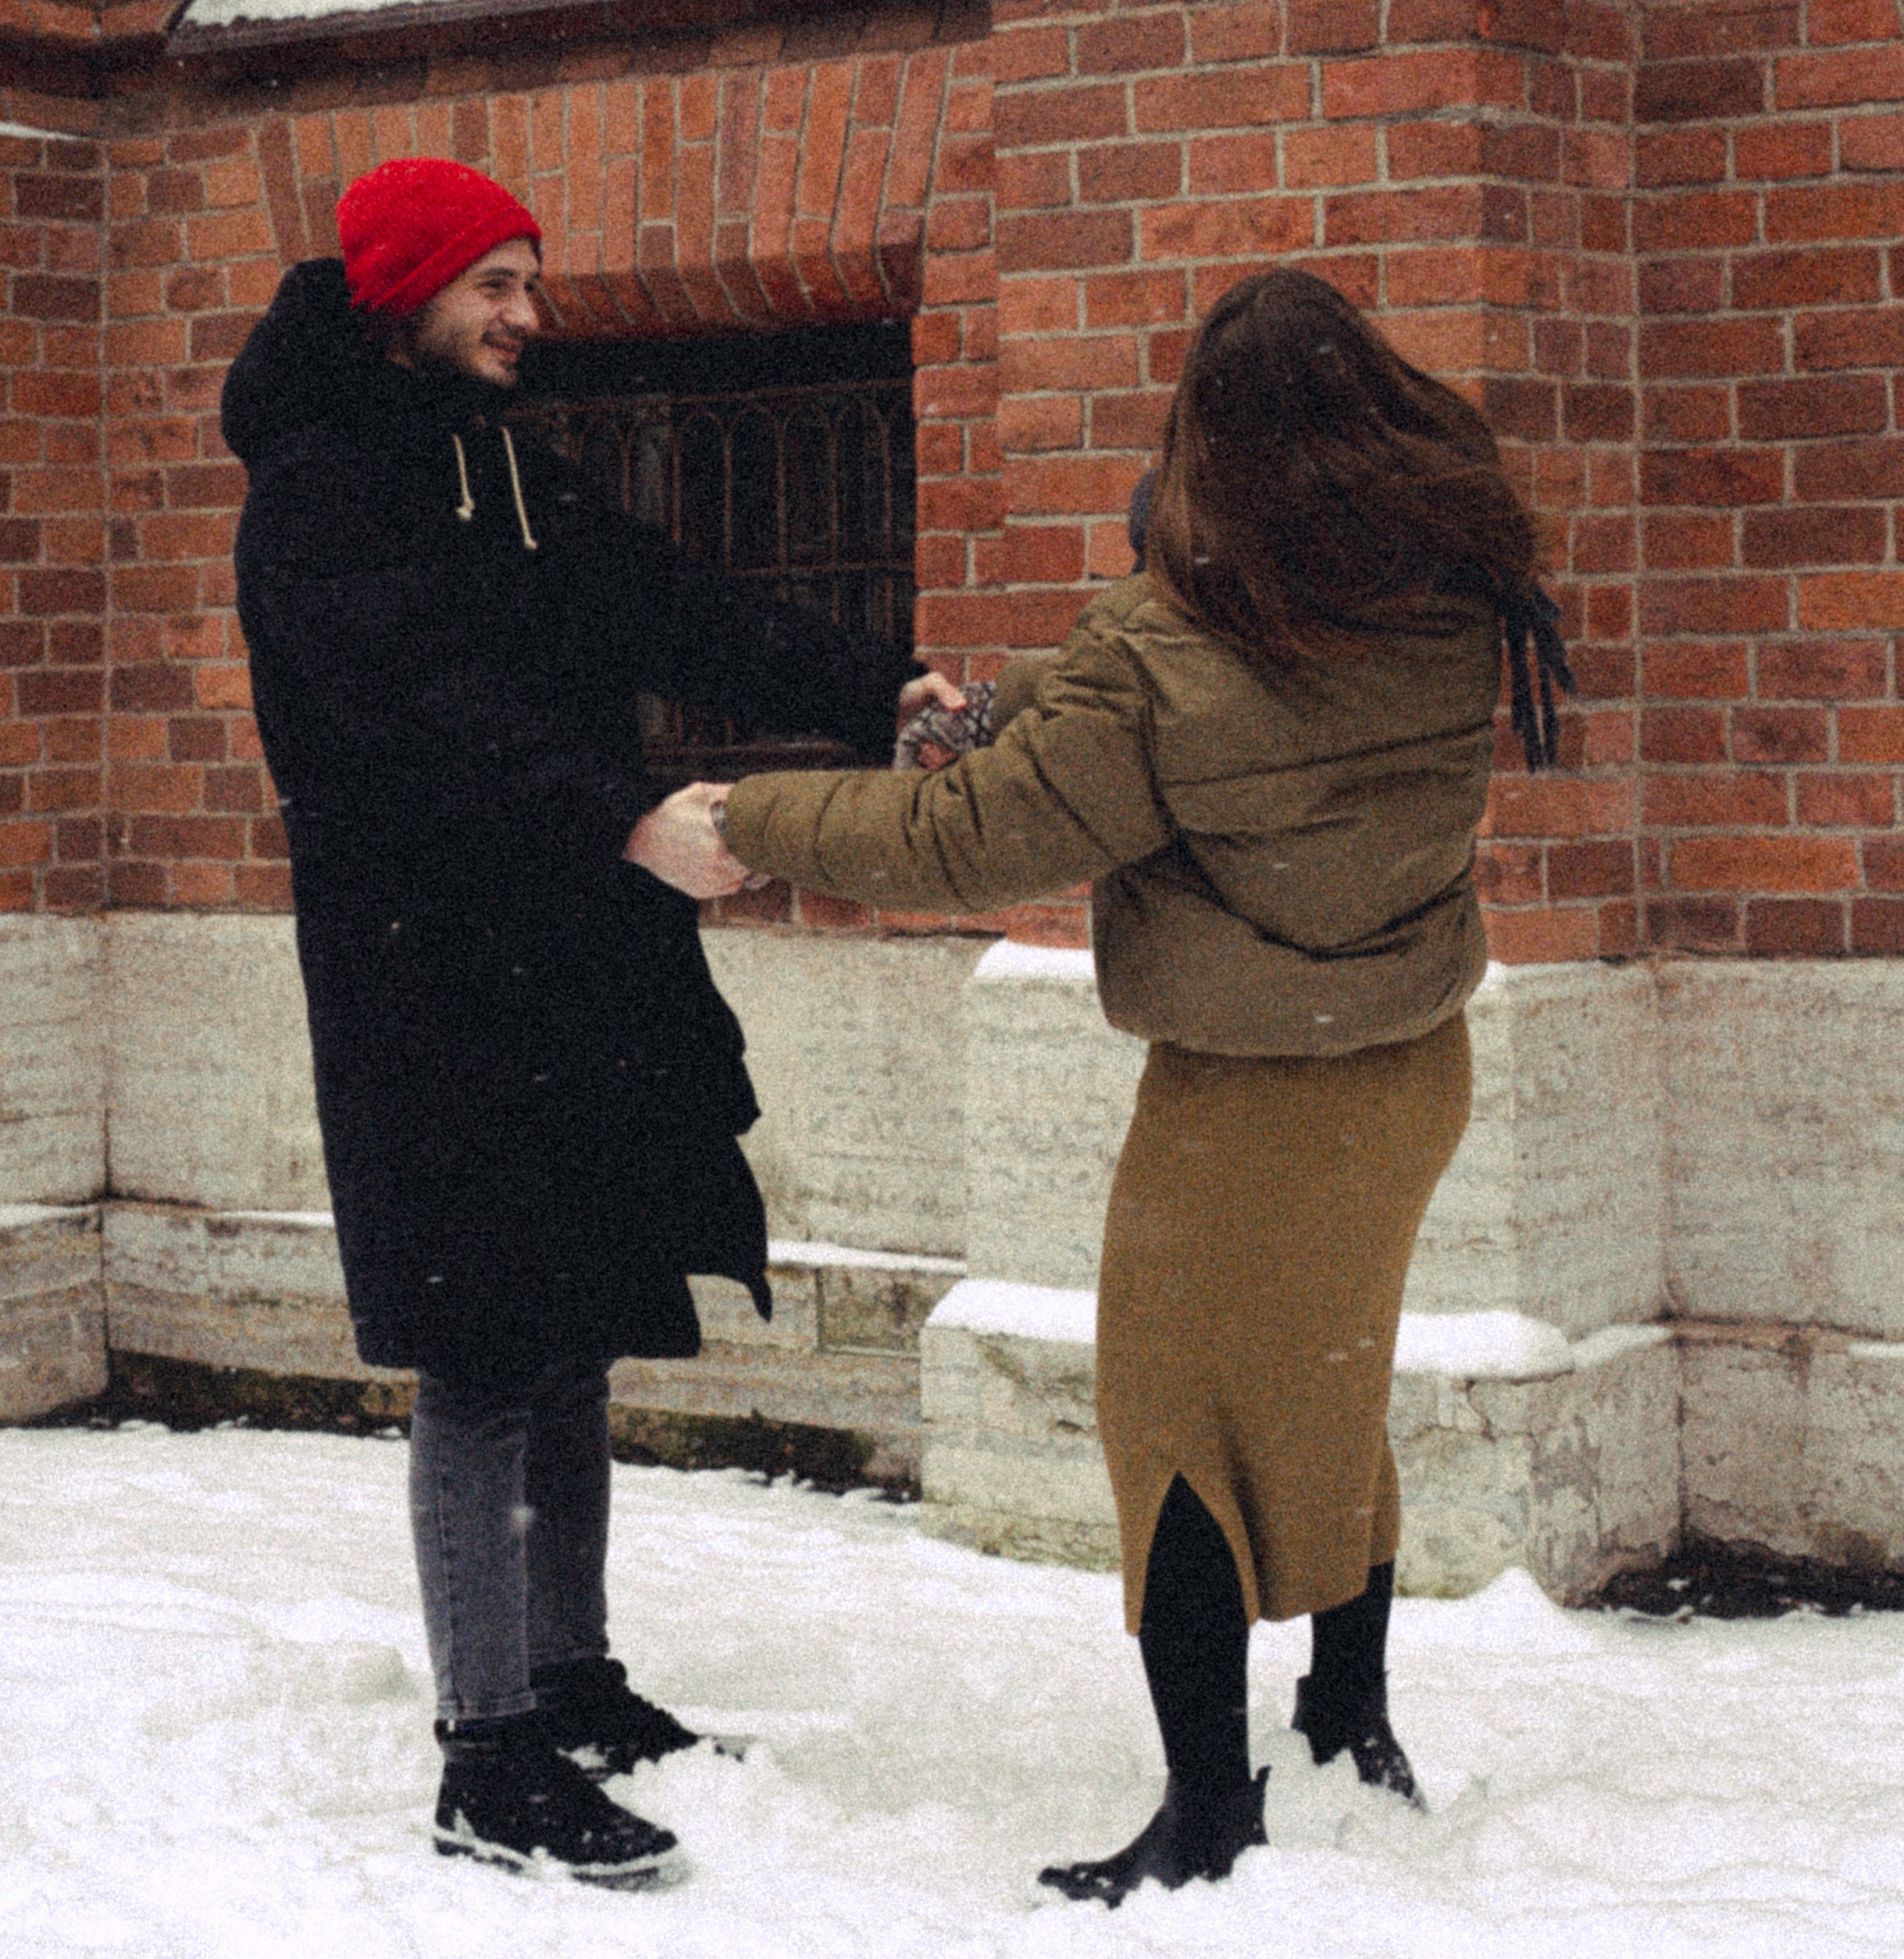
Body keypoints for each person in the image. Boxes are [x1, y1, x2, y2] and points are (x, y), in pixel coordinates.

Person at [707, 268, 1573, 1908]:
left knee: (1173, 1427)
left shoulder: (1169, 650)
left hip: (1244, 1101)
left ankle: (1205, 1811)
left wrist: (749, 817)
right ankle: (1345, 1718)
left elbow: (969, 840)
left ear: (1211, 441)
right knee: (1329, 1382)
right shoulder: (1447, 595)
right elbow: (1243, 713)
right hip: (1404, 1071)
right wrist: (1033, 702)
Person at [221, 157, 956, 1887]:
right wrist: (624, 817)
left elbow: (666, 599)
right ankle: (487, 1756)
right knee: (481, 1345)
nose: (527, 317)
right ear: (406, 292)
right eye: (496, 286)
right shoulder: (323, 499)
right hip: (430, 978)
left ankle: (570, 1679)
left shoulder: (499, 466)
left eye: (529, 284)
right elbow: (422, 720)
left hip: (562, 961)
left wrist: (873, 684)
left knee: (567, 1321)